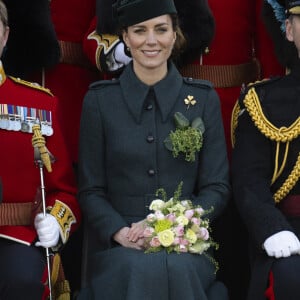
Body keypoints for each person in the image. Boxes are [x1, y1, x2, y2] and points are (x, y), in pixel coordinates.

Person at [77, 0, 230, 299]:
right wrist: (119, 232)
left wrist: (175, 224)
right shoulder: (99, 102)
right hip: (121, 244)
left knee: (178, 269)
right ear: (125, 37)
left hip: (187, 243)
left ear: (175, 35)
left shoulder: (202, 99)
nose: (151, 40)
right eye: (139, 30)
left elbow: (217, 187)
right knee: (139, 269)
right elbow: (90, 189)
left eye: (161, 29)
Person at [0, 1, 81, 299]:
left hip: (17, 235)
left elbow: (65, 191)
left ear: (6, 36)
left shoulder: (38, 104)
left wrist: (56, 223)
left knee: (22, 280)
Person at [231, 0, 300, 299]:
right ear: (288, 29)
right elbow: (249, 182)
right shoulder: (261, 101)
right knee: (289, 277)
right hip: (289, 232)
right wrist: (272, 229)